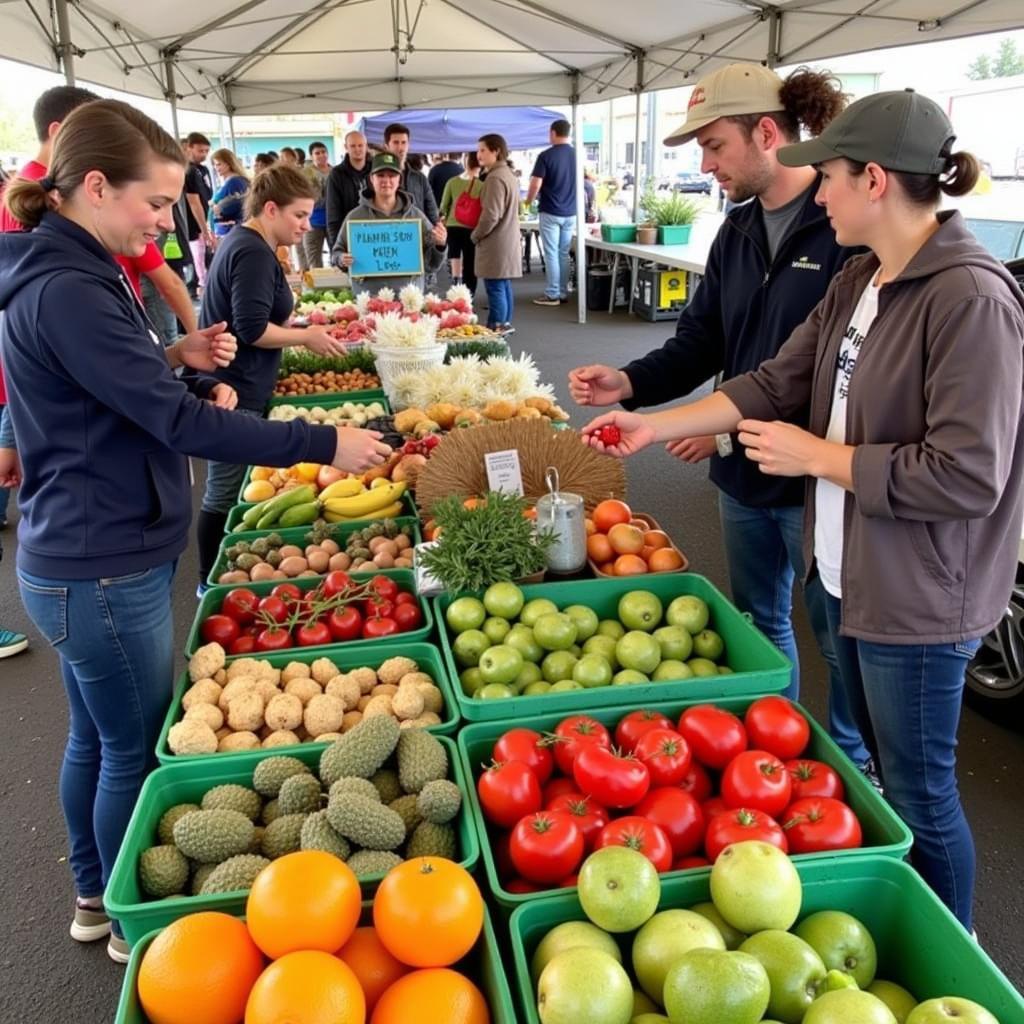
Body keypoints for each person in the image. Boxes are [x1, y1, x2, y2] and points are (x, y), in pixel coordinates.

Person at [583, 88, 1024, 930]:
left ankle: (955, 940)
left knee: (921, 790)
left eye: (827, 177)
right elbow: (770, 382)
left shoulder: (970, 298)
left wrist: (819, 457)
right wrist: (650, 423)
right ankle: (897, 919)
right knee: (870, 768)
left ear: (877, 180)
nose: (817, 195)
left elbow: (971, 475)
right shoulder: (863, 276)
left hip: (921, 598)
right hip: (847, 569)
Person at [0, 98, 391, 962]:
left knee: (95, 737)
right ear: (94, 186)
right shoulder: (70, 289)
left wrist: (172, 359)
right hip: (99, 563)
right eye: (153, 203)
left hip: (81, 548)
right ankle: (126, 918)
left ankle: (92, 891)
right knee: (131, 753)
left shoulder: (77, 271)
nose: (163, 222)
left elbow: (102, 392)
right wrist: (325, 440)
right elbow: (176, 429)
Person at [568, 63, 871, 772]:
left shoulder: (845, 230)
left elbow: (832, 372)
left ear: (768, 133)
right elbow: (703, 339)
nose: (705, 165)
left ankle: (857, 769)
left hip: (818, 481)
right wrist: (628, 381)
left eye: (715, 146)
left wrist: (724, 423)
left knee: (840, 641)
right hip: (742, 479)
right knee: (761, 624)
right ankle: (778, 752)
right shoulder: (735, 230)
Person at [195, 164, 378, 583]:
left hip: (238, 384)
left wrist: (304, 329)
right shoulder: (253, 253)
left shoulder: (247, 244)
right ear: (271, 209)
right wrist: (306, 338)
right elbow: (252, 329)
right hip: (233, 389)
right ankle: (207, 581)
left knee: (230, 487)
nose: (305, 225)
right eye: (299, 216)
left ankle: (220, 573)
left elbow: (252, 318)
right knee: (223, 491)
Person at [332, 152, 447, 296]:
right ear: (371, 179)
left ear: (399, 180)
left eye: (392, 175)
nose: (386, 180)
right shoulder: (355, 217)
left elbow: (432, 264)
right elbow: (337, 252)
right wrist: (341, 259)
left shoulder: (416, 217)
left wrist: (440, 245)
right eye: (380, 175)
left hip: (408, 298)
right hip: (368, 297)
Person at [472, 134, 522, 332]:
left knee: (495, 287)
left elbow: (491, 215)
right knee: (503, 284)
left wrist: (476, 234)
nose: (479, 155)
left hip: (496, 242)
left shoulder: (494, 178)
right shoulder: (508, 174)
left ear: (496, 151)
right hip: (507, 240)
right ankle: (503, 324)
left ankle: (498, 326)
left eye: (483, 150)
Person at [528, 119, 578, 305]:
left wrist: (528, 201)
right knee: (563, 253)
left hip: (550, 210)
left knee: (551, 253)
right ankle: (563, 292)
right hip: (571, 212)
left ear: (553, 133)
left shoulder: (546, 156)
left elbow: (536, 183)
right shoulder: (576, 155)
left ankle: (552, 293)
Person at [439, 151, 482, 297]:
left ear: (466, 162)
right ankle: (470, 295)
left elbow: (443, 207)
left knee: (454, 254)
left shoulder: (452, 182)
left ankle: (456, 283)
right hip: (473, 228)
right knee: (470, 261)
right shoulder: (483, 185)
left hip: (453, 226)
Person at [383, 123, 440, 224]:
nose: (400, 148)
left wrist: (439, 231)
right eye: (396, 142)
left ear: (408, 145)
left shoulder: (420, 178)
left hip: (416, 235)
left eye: (404, 142)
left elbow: (433, 215)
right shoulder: (376, 178)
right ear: (386, 146)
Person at [326, 130, 371, 249]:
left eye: (361, 145)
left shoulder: (376, 171)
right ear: (346, 147)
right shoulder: (336, 174)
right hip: (348, 235)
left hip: (374, 234)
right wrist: (336, 248)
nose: (357, 149)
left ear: (366, 146)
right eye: (353, 146)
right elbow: (333, 213)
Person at [183, 132, 214, 290]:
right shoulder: (187, 171)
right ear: (189, 148)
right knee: (199, 261)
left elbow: (205, 199)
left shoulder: (203, 170)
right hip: (192, 226)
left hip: (203, 220)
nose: (204, 155)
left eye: (206, 151)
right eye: (200, 151)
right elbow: (194, 202)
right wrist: (204, 229)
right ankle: (201, 287)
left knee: (203, 258)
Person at [302, 141, 331, 268]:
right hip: (312, 221)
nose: (321, 155)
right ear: (312, 156)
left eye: (323, 152)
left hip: (333, 220)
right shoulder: (305, 173)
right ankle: (317, 288)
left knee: (338, 258)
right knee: (314, 260)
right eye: (317, 153)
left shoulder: (335, 172)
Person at [209, 148, 249, 238]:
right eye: (215, 165)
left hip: (230, 232)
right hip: (226, 231)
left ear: (229, 164)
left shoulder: (235, 182)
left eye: (219, 164)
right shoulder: (230, 182)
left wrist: (214, 206)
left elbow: (226, 209)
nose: (216, 168)